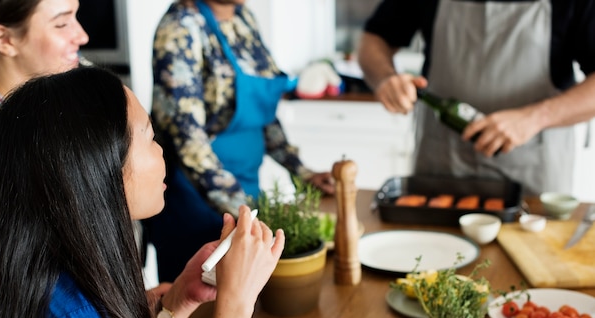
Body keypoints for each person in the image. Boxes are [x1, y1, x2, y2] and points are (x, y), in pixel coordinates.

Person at [0, 66, 285, 318]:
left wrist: (178, 301)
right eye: (150, 138)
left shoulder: (46, 276)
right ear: (98, 168)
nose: (162, 151)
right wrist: (237, 303)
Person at [145, 0, 335, 282]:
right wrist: (245, 212)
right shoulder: (180, 27)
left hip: (247, 193)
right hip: (196, 204)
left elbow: (262, 110)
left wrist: (301, 171)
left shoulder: (243, 19)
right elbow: (188, 141)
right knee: (198, 307)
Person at [357, 0, 595, 196]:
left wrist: (534, 118)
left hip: (532, 168)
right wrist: (385, 78)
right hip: (441, 160)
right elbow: (374, 39)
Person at [0, 0, 89, 211]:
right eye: (61, 24)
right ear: (4, 40)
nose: (82, 36)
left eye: (75, 17)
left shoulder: (35, 115)